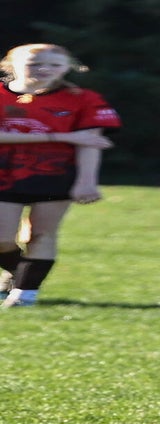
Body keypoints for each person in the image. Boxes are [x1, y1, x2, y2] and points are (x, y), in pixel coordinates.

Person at [0, 43, 120, 308]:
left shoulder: (84, 99)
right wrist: (61, 136)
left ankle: (25, 294)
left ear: (67, 68)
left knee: (42, 234)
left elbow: (90, 142)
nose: (45, 69)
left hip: (55, 176)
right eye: (35, 64)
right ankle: (19, 271)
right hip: (3, 176)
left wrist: (86, 182)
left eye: (54, 65)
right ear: (11, 65)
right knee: (2, 239)